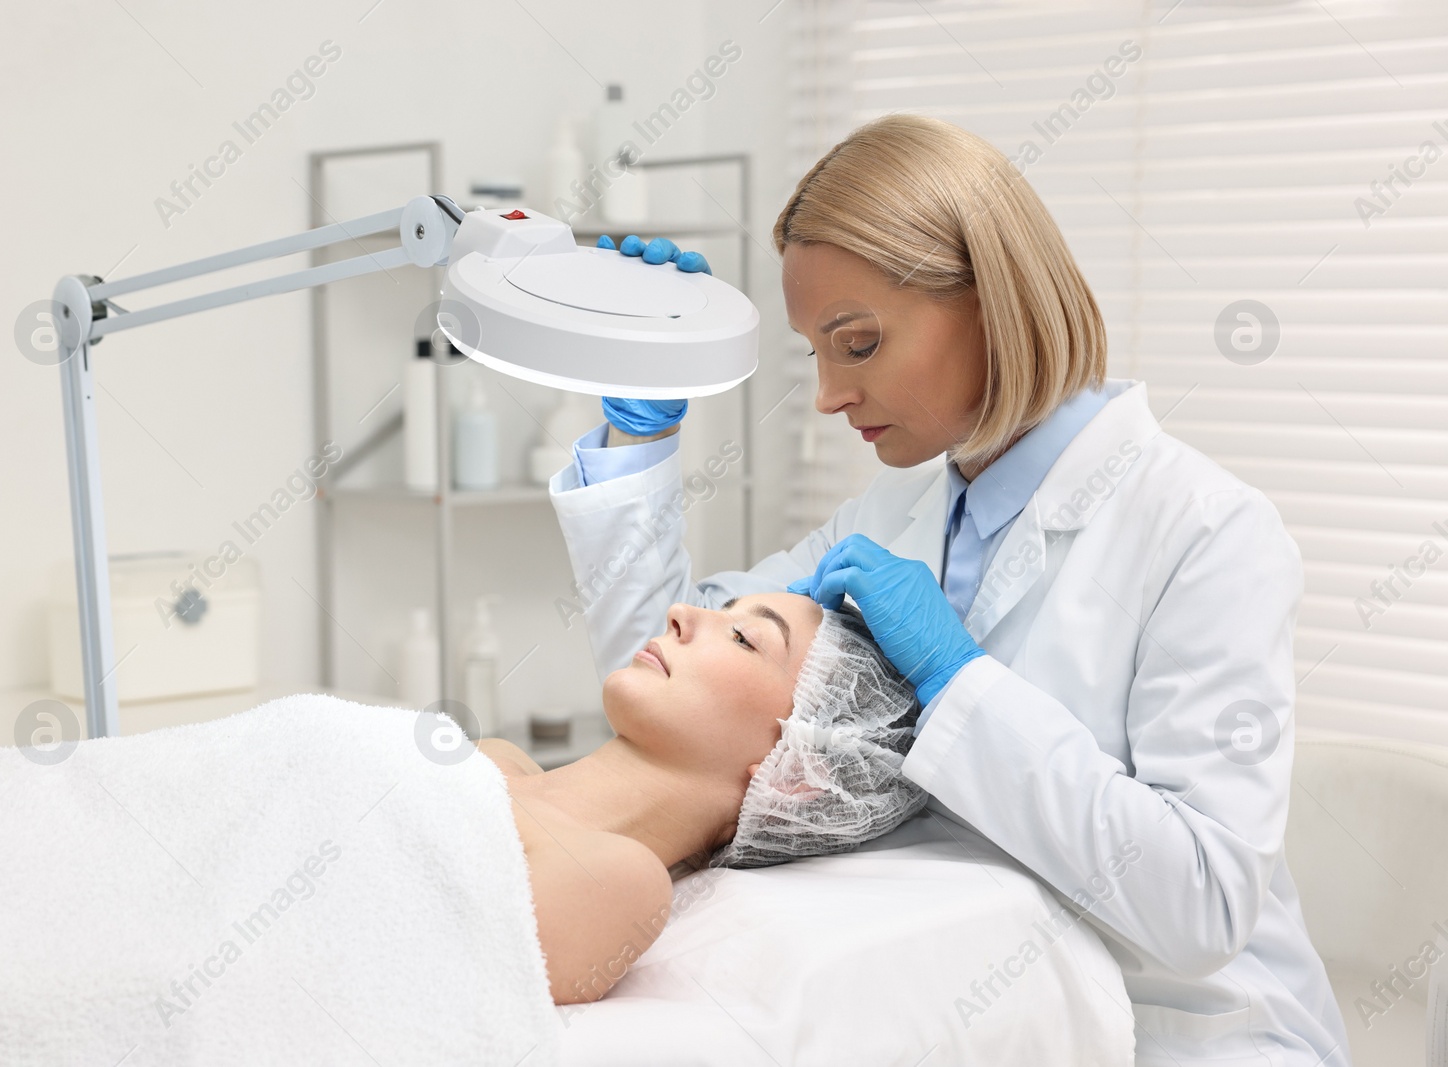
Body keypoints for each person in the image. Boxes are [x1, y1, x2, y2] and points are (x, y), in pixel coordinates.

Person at [550, 114, 1350, 1065]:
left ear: (991, 300)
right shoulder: (892, 514)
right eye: (816, 350)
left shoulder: (1207, 532)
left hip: (1185, 1032)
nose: (828, 396)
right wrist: (643, 430)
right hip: (974, 1006)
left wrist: (958, 679)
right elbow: (677, 692)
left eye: (858, 341)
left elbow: (1204, 905)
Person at [477, 592, 925, 1005]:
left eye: (743, 638)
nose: (680, 612)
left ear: (793, 775)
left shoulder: (616, 882)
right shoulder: (495, 755)